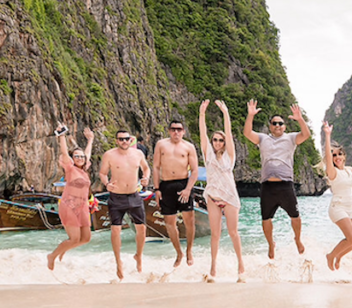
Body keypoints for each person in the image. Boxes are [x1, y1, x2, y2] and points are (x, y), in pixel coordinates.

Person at [243, 99, 311, 259]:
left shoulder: (291, 138)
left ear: (285, 126)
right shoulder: (262, 138)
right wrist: (250, 115)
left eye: (280, 123)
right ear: (270, 126)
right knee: (266, 219)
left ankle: (298, 239)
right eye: (274, 123)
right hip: (267, 186)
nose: (278, 125)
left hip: (286, 185)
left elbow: (306, 135)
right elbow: (247, 133)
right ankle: (270, 244)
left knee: (295, 216)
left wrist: (300, 119)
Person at [199, 99, 244, 281]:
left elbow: (229, 132)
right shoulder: (208, 154)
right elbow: (202, 134)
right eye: (215, 140)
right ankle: (213, 268)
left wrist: (225, 113)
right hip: (212, 197)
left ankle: (241, 265)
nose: (217, 142)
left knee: (233, 232)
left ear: (225, 143)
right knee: (215, 234)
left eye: (220, 140)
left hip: (230, 197)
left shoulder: (229, 156)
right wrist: (202, 113)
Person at [99, 129, 151, 280]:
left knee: (142, 229)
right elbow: (102, 173)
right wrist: (106, 184)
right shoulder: (109, 155)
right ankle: (118, 262)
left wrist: (146, 178)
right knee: (116, 231)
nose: (124, 141)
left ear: (131, 140)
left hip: (134, 195)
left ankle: (138, 256)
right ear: (116, 141)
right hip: (116, 197)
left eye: (126, 139)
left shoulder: (138, 154)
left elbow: (146, 168)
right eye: (121, 139)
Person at [322, 121, 352, 271]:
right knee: (351, 237)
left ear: (344, 156)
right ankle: (331, 256)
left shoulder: (349, 170)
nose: (337, 157)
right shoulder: (332, 172)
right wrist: (327, 135)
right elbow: (327, 154)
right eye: (334, 155)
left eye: (339, 154)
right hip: (338, 207)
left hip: (350, 207)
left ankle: (339, 256)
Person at [46, 125, 94, 270]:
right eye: (76, 156)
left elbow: (87, 154)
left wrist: (90, 140)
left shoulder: (84, 171)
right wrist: (62, 137)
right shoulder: (70, 169)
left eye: (81, 156)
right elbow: (64, 152)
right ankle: (52, 256)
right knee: (74, 238)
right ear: (72, 159)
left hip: (83, 207)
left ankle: (64, 249)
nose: (80, 158)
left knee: (85, 238)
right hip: (69, 206)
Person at [153, 120, 200, 267]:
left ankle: (189, 251)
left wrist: (188, 189)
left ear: (183, 131)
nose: (176, 132)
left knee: (189, 220)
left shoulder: (189, 147)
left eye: (179, 129)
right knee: (169, 223)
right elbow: (155, 167)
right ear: (169, 131)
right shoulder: (161, 144)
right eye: (173, 129)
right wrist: (156, 189)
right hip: (166, 185)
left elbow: (195, 170)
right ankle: (179, 252)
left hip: (183, 183)